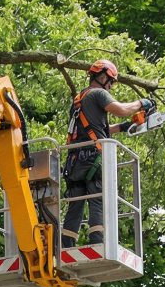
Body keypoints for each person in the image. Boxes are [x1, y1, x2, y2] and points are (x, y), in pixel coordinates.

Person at [62, 60, 153, 249]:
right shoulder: (99, 93)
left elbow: (94, 129)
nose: (111, 86)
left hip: (74, 161)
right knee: (97, 198)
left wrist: (123, 127)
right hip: (92, 158)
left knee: (75, 204)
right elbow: (120, 110)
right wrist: (142, 102)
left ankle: (67, 246)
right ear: (103, 77)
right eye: (111, 81)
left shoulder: (79, 99)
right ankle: (98, 245)